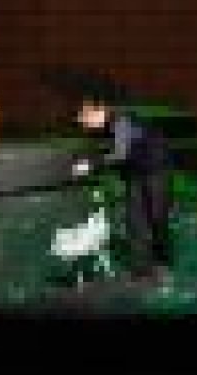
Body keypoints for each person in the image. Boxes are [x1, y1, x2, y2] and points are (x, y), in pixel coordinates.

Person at [71, 95, 173, 285]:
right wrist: (89, 161)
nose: (86, 125)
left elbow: (120, 154)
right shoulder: (105, 127)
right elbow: (114, 153)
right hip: (135, 173)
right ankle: (141, 269)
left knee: (157, 218)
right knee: (135, 221)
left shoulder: (121, 121)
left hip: (156, 170)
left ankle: (162, 263)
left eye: (87, 119)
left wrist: (91, 164)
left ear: (99, 111)